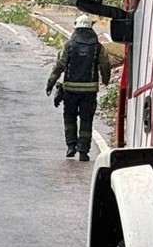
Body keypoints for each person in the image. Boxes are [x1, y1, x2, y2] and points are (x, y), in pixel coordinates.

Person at [45, 13, 112, 161]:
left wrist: (51, 82)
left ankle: (71, 146)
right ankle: (83, 151)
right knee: (86, 120)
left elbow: (59, 65)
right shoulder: (98, 48)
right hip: (89, 92)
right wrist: (106, 80)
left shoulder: (69, 46)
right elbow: (105, 65)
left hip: (70, 91)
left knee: (69, 118)